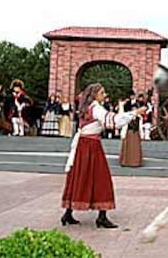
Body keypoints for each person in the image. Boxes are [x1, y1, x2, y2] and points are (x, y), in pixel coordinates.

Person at [61, 83, 146, 228]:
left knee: (79, 177)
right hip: (91, 146)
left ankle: (68, 214)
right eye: (102, 92)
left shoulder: (86, 106)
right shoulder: (95, 108)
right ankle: (101, 217)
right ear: (95, 94)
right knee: (101, 179)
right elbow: (112, 121)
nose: (104, 95)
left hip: (83, 145)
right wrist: (135, 112)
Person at [119, 90, 144, 167]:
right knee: (127, 147)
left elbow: (140, 126)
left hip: (135, 133)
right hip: (128, 131)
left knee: (135, 149)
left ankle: (136, 162)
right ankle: (125, 162)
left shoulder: (139, 116)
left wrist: (141, 134)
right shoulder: (127, 105)